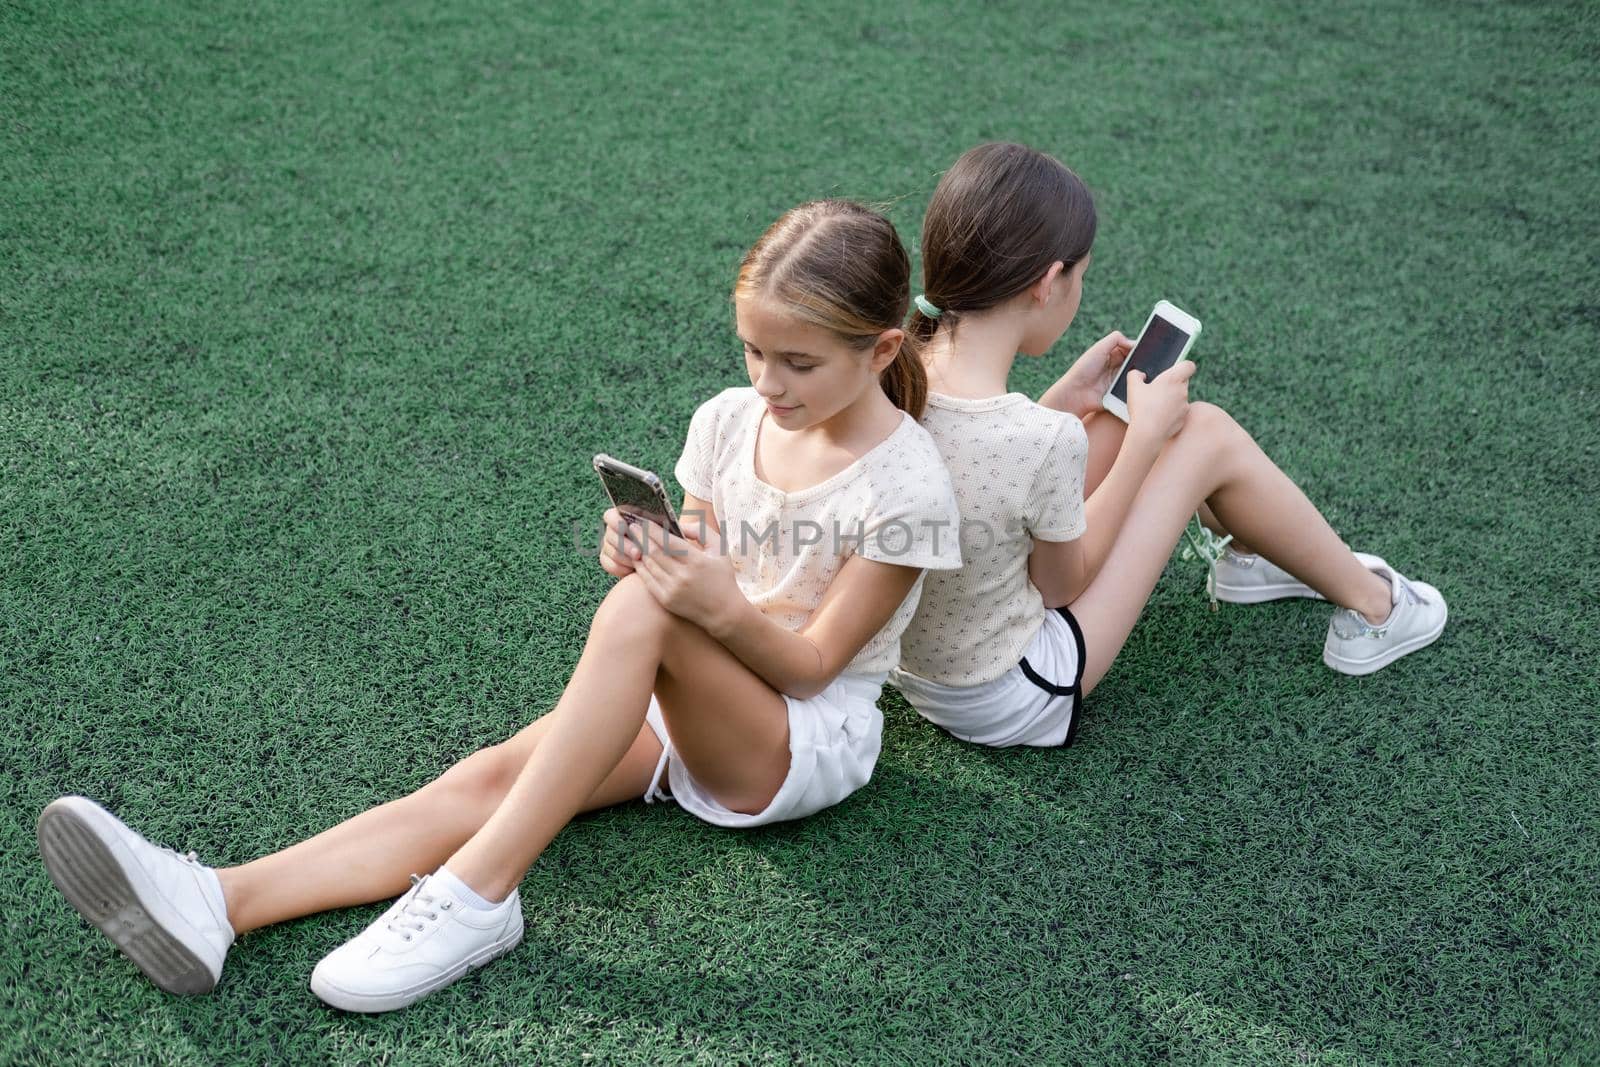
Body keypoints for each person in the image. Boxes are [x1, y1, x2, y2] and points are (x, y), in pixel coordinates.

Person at [37, 199, 962, 1012]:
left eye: (796, 363)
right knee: (490, 776)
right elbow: (703, 558)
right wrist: (656, 555)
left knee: (644, 621)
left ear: (881, 349)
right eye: (753, 350)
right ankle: (220, 903)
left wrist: (702, 604)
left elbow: (812, 665)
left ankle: (480, 894)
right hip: (699, 691)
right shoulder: (728, 420)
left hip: (799, 742)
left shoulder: (907, 485)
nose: (767, 382)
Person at [888, 142, 1447, 748]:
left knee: (1126, 417)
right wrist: (1144, 444)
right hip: (1012, 695)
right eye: (1081, 274)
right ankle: (1377, 607)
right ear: (1049, 283)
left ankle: (1255, 551)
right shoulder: (1034, 438)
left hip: (917, 663)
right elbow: (1059, 588)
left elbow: (982, 467)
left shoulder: (893, 374)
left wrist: (1065, 401)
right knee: (1199, 431)